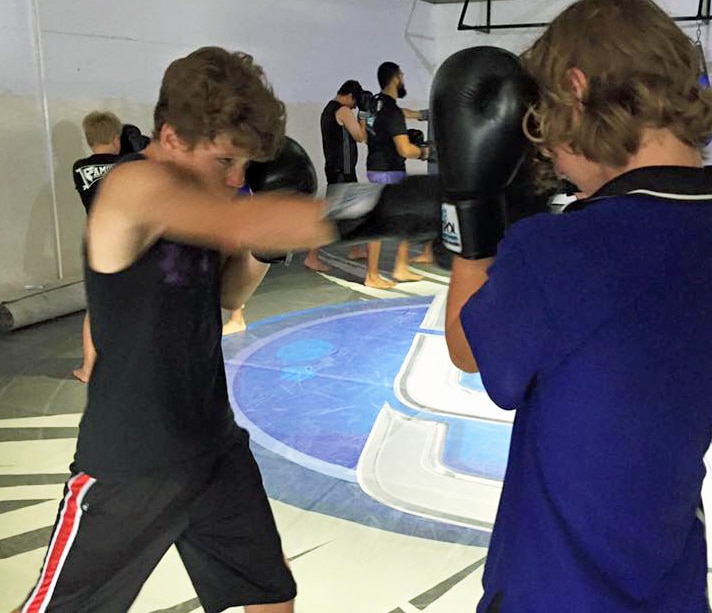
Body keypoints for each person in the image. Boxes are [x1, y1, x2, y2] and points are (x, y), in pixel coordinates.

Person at [14, 45, 440, 613]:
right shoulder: (130, 186)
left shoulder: (199, 204)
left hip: (213, 445)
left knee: (270, 596)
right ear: (170, 137)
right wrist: (403, 203)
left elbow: (227, 295)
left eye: (244, 166)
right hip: (132, 460)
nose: (238, 179)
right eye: (225, 162)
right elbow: (238, 218)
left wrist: (262, 248)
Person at [434, 1, 712, 611]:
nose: (545, 149)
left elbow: (467, 350)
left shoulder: (565, 246)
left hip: (557, 584)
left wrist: (468, 214)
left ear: (575, 93)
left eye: (543, 120)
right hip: (667, 577)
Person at [363, 61, 431, 288]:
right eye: (401, 76)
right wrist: (425, 152)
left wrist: (419, 117)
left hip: (375, 166)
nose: (403, 80)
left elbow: (366, 133)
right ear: (394, 79)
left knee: (404, 217)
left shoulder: (375, 103)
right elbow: (404, 149)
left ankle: (401, 267)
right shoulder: (392, 110)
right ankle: (372, 276)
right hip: (389, 171)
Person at [70, 110, 123, 383]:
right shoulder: (130, 164)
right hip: (131, 239)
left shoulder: (79, 168)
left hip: (97, 240)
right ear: (117, 139)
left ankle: (89, 368)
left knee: (97, 306)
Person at [313, 79, 368, 272]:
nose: (354, 107)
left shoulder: (328, 109)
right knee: (330, 216)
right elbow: (360, 136)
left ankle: (355, 248)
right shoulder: (343, 111)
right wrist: (363, 113)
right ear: (350, 96)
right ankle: (312, 257)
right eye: (355, 103)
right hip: (342, 171)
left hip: (338, 169)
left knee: (354, 211)